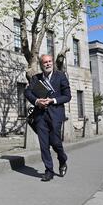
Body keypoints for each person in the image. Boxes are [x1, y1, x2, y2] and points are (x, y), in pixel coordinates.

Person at [25, 54, 72, 182]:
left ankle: (62, 159)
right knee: (44, 144)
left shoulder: (60, 76)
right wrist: (36, 101)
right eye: (45, 62)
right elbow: (27, 92)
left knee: (56, 142)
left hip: (56, 115)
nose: (48, 64)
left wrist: (53, 100)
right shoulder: (36, 78)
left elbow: (67, 96)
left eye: (50, 61)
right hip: (40, 116)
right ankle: (49, 170)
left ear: (53, 63)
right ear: (41, 64)